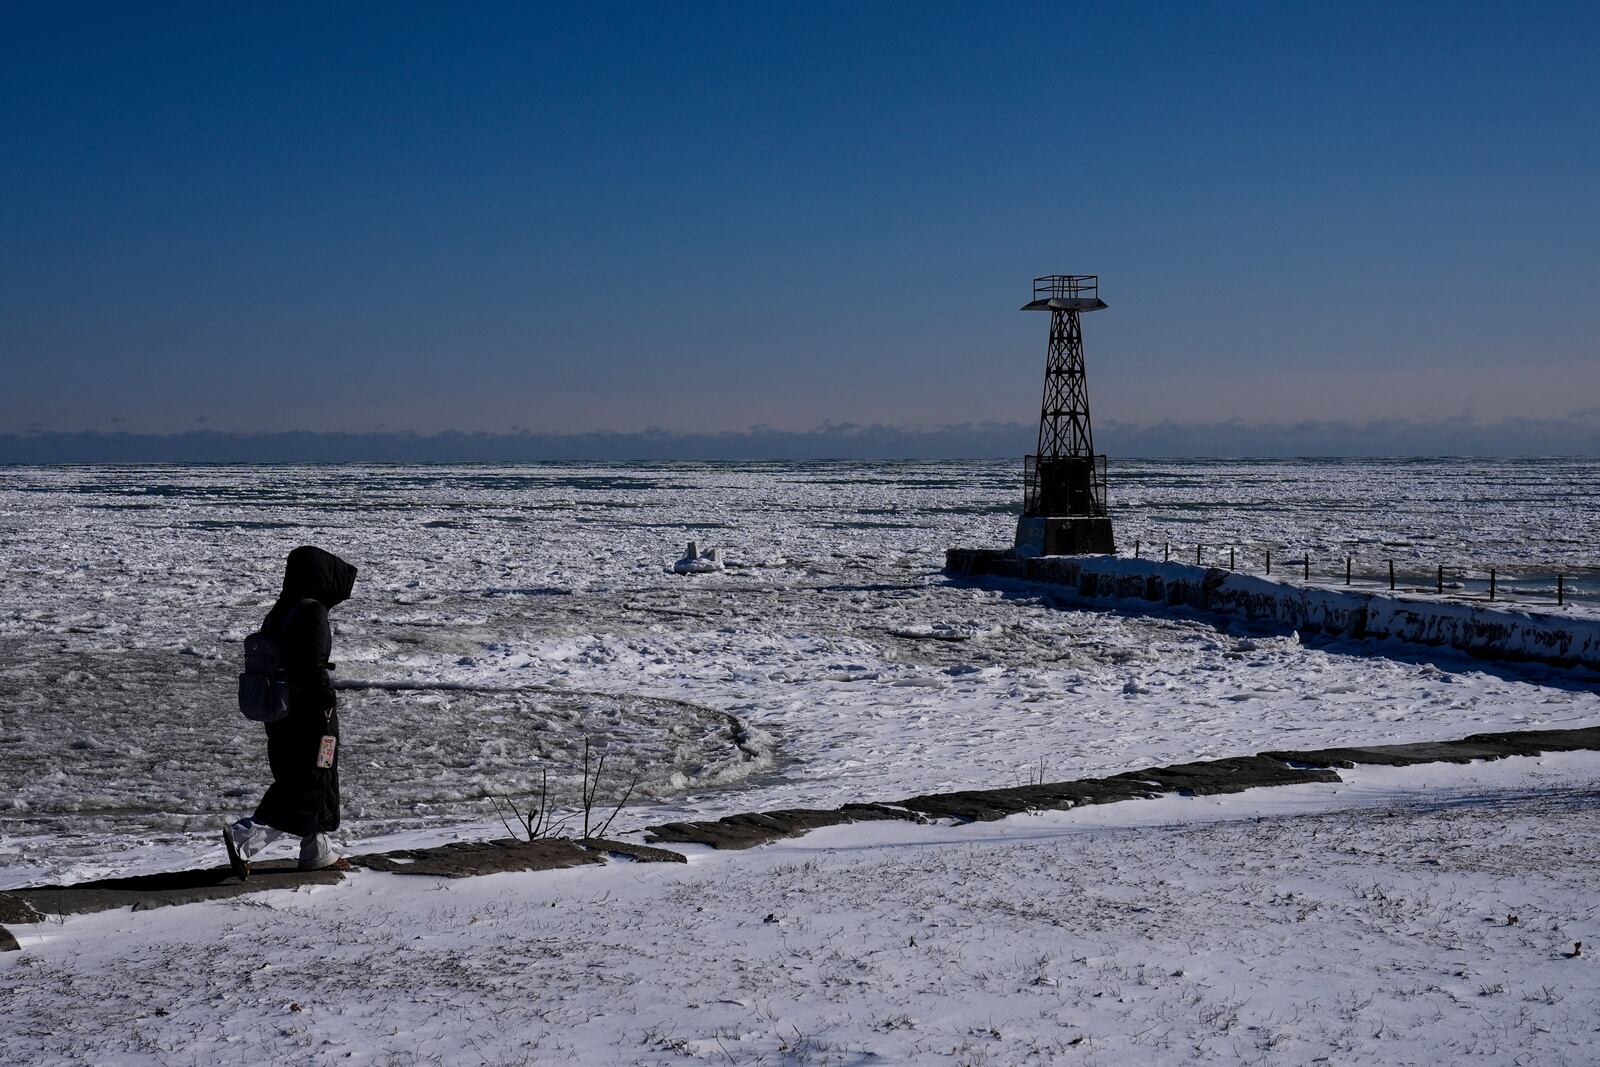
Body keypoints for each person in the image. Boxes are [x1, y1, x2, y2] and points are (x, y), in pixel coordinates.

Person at [224, 545, 358, 879]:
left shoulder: (282, 609)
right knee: (310, 780)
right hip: (310, 712)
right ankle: (245, 838)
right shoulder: (312, 611)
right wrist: (326, 703)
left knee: (307, 777)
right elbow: (311, 666)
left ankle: (317, 849)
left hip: (280, 711)